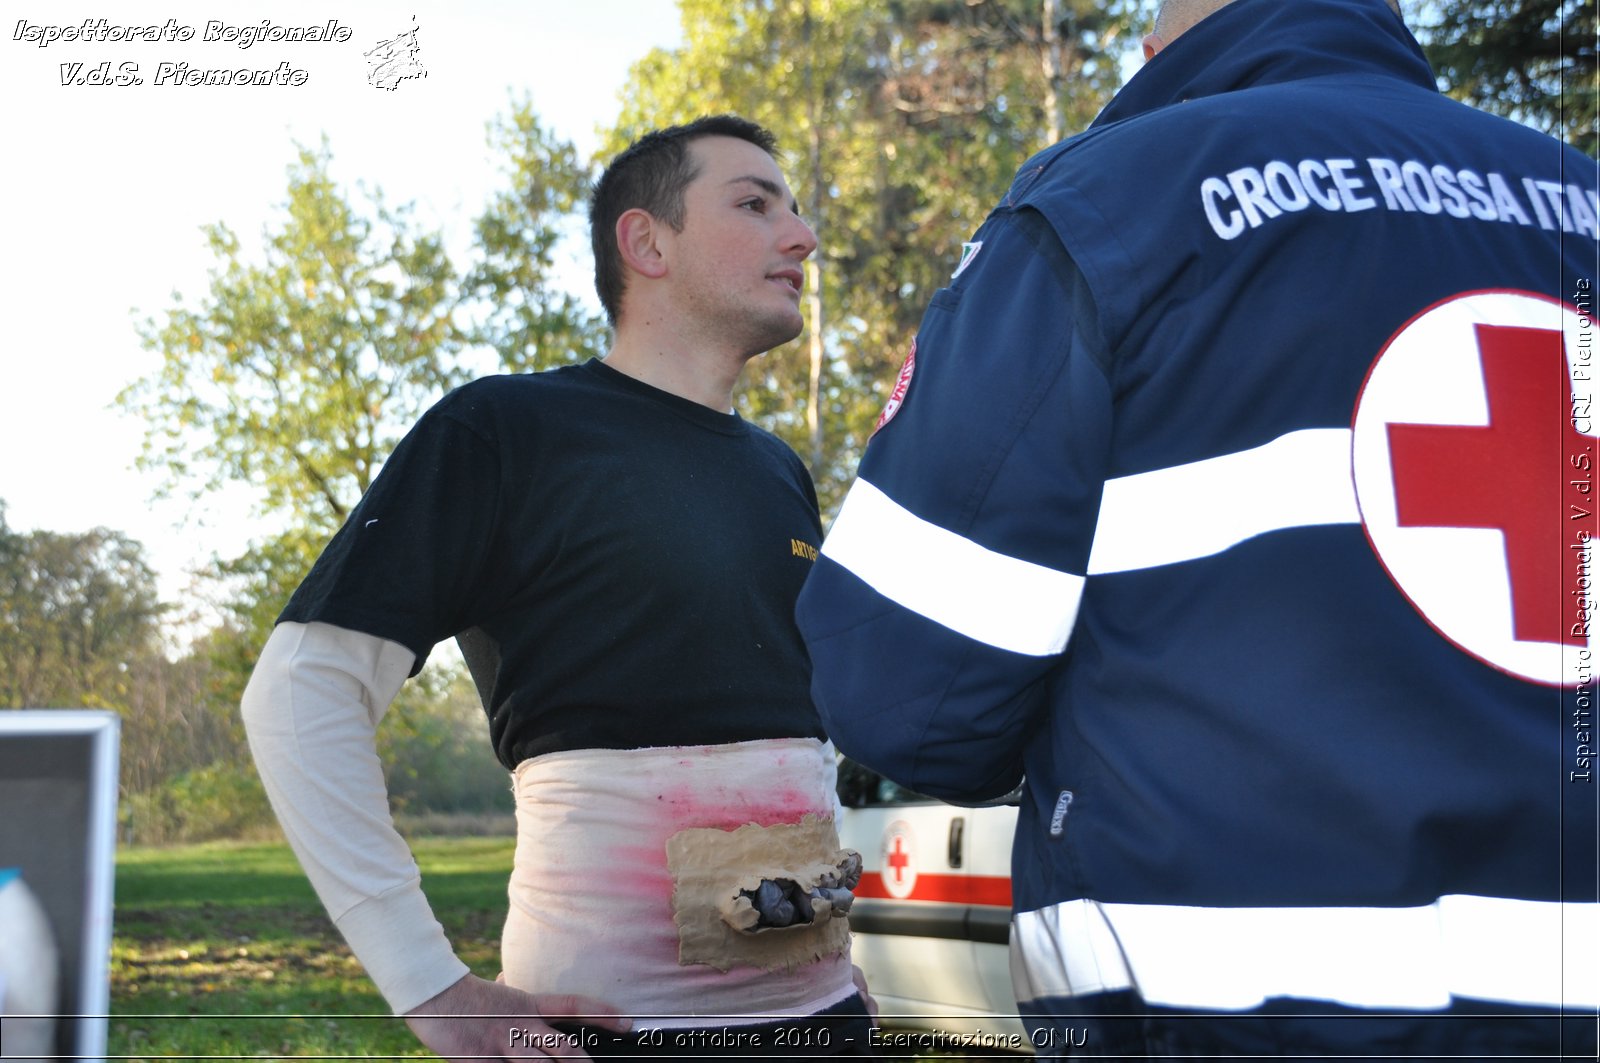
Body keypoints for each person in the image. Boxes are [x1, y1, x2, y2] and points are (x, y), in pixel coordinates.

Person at [795, 0, 1599, 1058]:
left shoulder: (1112, 199)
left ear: (1161, 44)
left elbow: (900, 694)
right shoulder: (1578, 197)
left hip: (1240, 1020)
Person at [242, 114, 877, 1060]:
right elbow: (298, 692)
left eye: (795, 209)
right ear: (645, 241)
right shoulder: (503, 429)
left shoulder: (779, 469)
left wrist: (827, 964)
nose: (803, 236)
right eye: (755, 204)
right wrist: (430, 986)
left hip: (827, 1024)